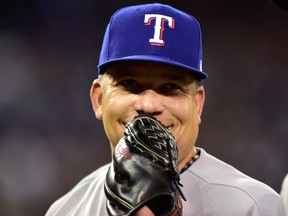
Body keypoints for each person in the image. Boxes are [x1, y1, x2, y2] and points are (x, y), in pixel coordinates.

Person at [45, 3, 280, 216]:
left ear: (197, 104)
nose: (149, 105)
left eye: (171, 87)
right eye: (130, 84)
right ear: (98, 99)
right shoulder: (66, 209)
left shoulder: (252, 205)